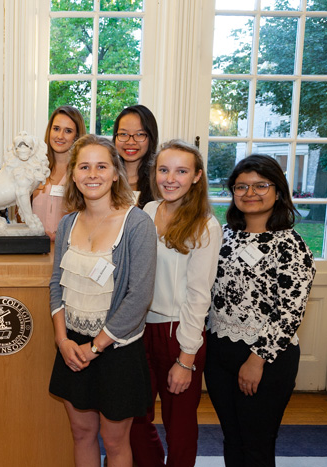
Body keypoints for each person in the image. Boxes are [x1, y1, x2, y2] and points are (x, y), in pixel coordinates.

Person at [48, 134, 156, 466]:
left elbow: (138, 298)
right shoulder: (67, 223)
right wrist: (62, 339)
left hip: (116, 349)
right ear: (73, 174)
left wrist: (95, 347)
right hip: (72, 348)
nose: (92, 174)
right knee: (81, 434)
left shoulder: (137, 223)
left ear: (115, 173)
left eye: (101, 166)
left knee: (115, 440)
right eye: (84, 166)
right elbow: (56, 284)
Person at [204, 154, 315, 467]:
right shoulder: (221, 236)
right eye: (241, 187)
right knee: (232, 439)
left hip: (266, 358)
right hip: (219, 352)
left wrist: (256, 360)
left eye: (260, 185)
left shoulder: (290, 244)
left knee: (257, 446)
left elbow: (290, 312)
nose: (249, 193)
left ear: (278, 191)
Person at [129, 140, 222, 467]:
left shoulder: (205, 226)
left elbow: (199, 297)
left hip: (178, 334)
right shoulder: (149, 210)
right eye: (164, 170)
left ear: (196, 176)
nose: (170, 178)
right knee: (135, 419)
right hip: (139, 331)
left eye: (181, 171)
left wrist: (185, 359)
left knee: (179, 426)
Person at [32, 105, 86, 241]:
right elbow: (21, 211)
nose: (60, 136)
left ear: (77, 136)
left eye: (68, 131)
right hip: (35, 249)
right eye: (56, 129)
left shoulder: (83, 173)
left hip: (70, 249)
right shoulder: (34, 168)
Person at [112, 105, 159, 208]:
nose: (130, 142)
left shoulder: (160, 181)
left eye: (140, 134)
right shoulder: (104, 177)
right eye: (123, 134)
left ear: (151, 138)